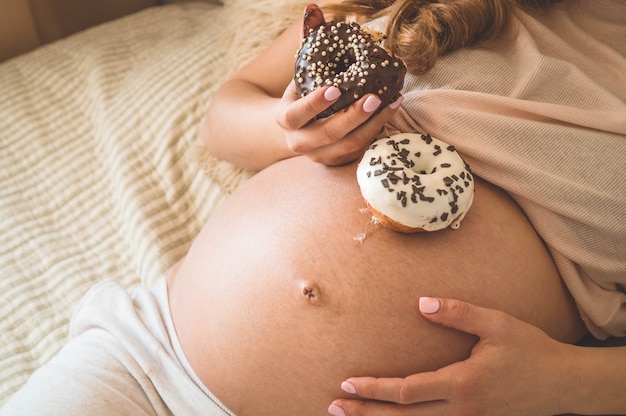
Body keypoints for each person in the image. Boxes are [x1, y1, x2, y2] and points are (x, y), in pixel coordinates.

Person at [2, 1, 624, 416]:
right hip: (153, 364)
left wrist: (569, 380)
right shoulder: (404, 8)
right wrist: (289, 132)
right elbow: (225, 114)